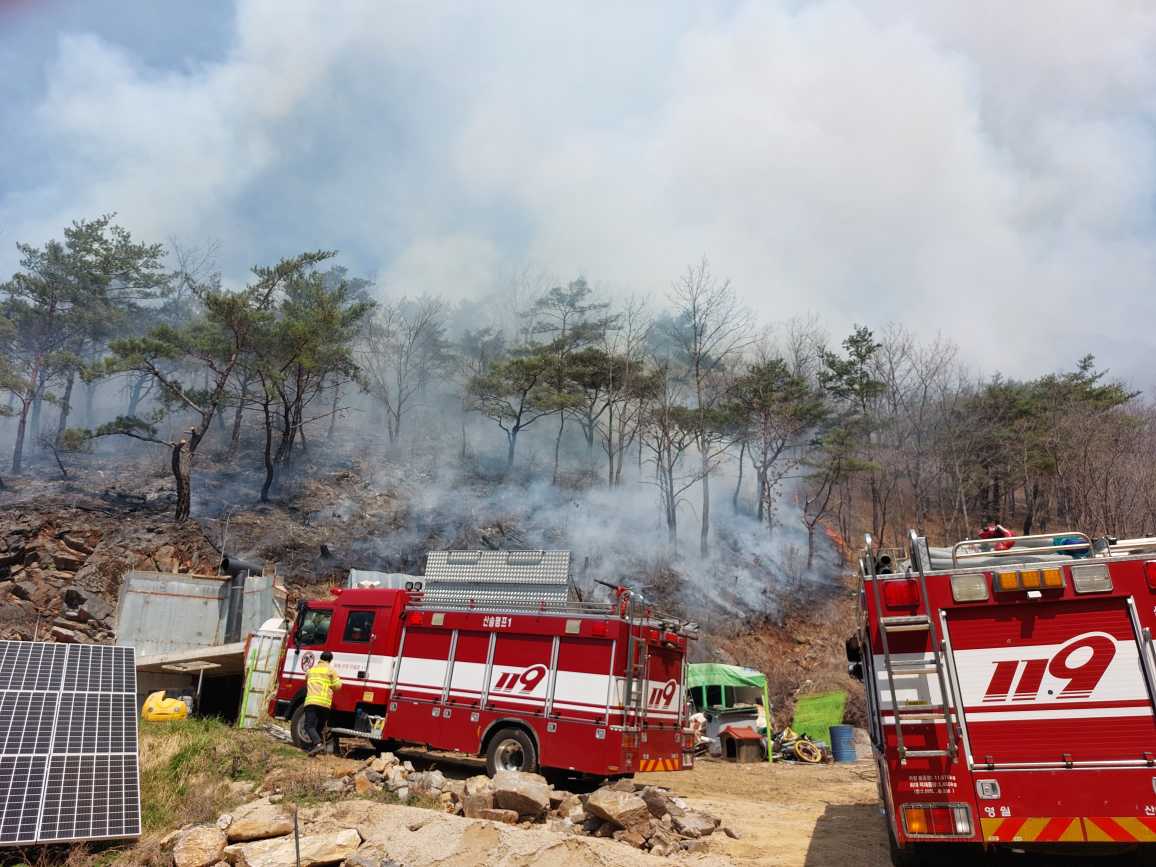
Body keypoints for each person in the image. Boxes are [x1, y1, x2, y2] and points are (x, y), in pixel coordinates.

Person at [302, 651, 342, 756]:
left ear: (320, 658)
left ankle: (318, 745)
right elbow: (338, 686)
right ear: (330, 660)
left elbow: (306, 679)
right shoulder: (331, 670)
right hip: (325, 704)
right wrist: (330, 685)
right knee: (319, 727)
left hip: (311, 702)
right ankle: (317, 748)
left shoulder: (311, 670)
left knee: (309, 726)